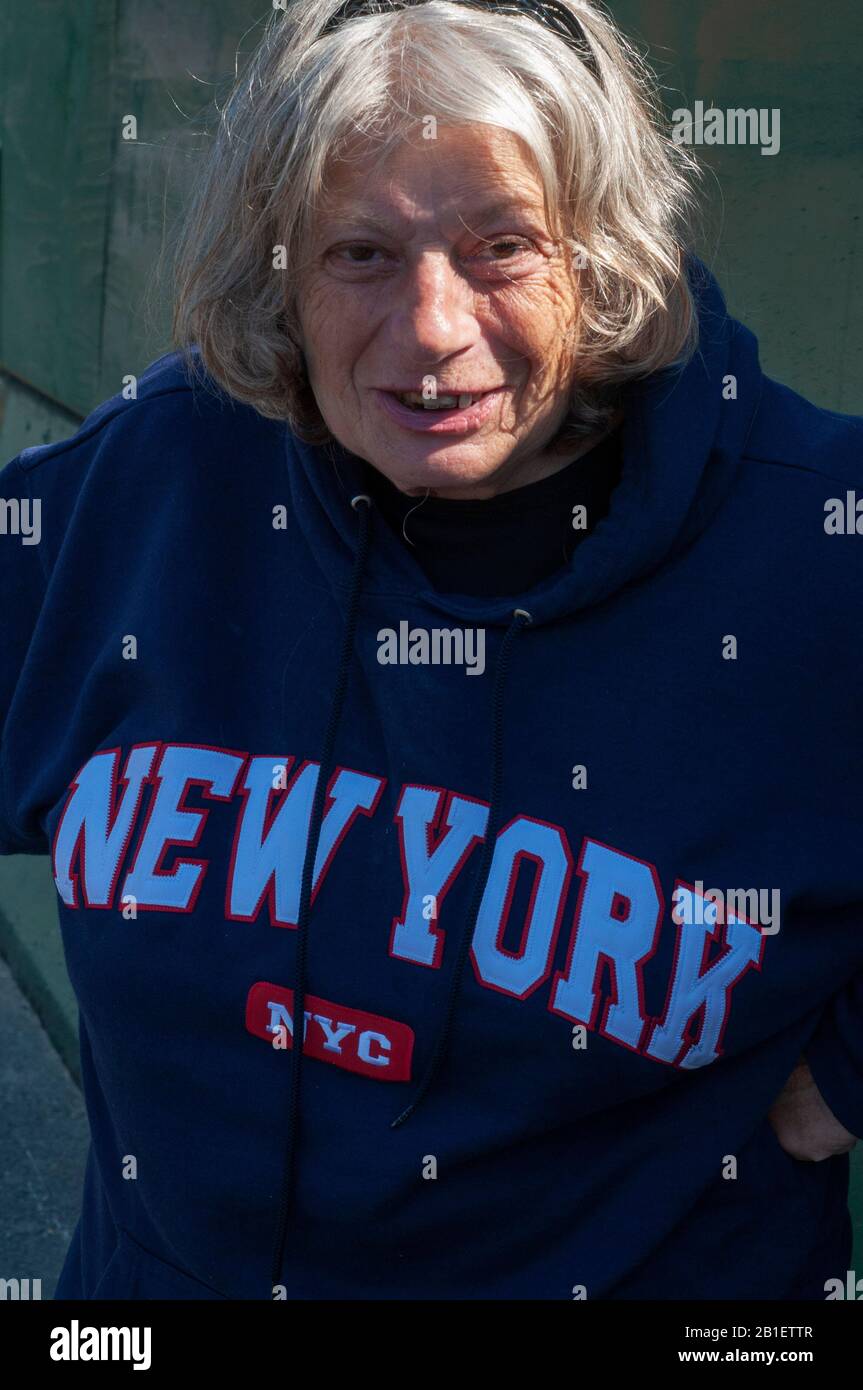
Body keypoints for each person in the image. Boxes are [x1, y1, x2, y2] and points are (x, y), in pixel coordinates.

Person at [1, 0, 860, 1301]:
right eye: (361, 252)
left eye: (502, 246)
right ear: (279, 265)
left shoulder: (815, 536)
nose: (432, 327)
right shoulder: (156, 482)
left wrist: (846, 1073)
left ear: (605, 247)